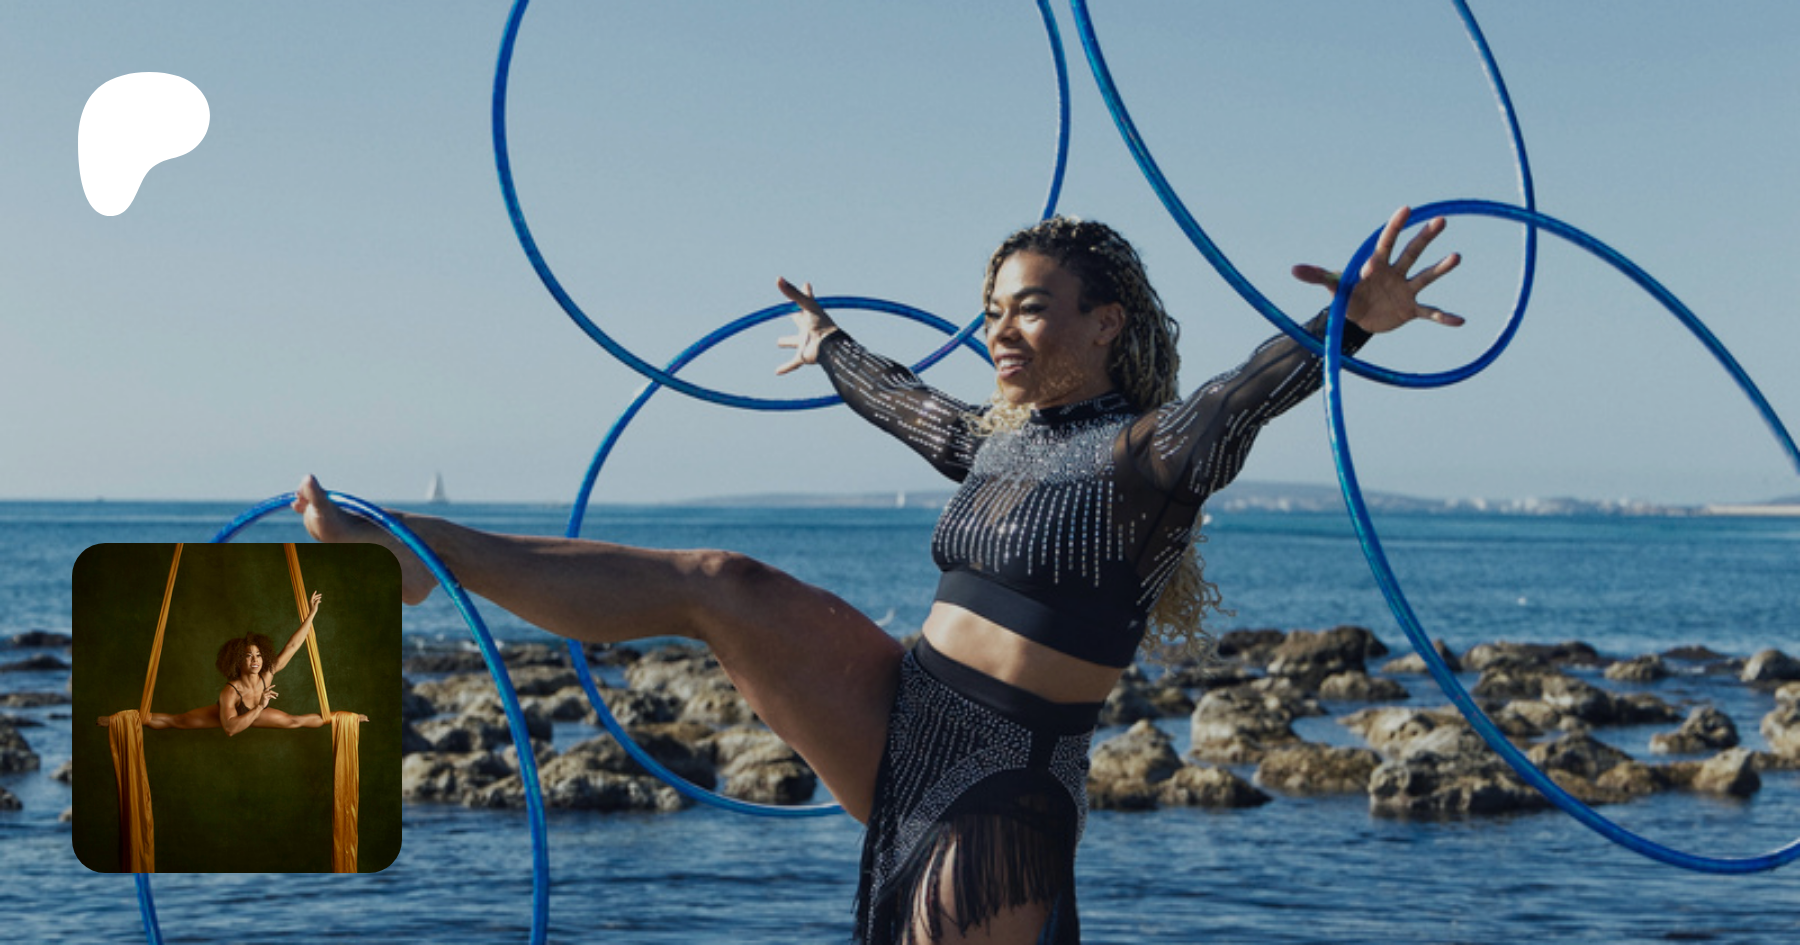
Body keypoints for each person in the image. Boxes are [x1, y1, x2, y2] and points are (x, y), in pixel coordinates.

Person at [292, 206, 1460, 944]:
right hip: (902, 709)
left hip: (1003, 782)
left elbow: (1245, 394)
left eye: (1030, 310)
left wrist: (1349, 324)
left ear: (1107, 323)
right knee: (719, 580)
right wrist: (828, 346)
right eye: (991, 312)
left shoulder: (1150, 456)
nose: (1000, 330)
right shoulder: (996, 443)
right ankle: (414, 552)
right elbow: (905, 404)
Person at [98, 591, 365, 732]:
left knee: (295, 721)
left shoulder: (267, 673)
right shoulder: (230, 691)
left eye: (258, 655)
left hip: (255, 712)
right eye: (249, 656)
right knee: (178, 721)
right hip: (231, 718)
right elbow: (230, 729)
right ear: (239, 660)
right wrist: (259, 707)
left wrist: (312, 614)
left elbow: (294, 645)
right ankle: (120, 721)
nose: (255, 660)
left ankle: (342, 719)